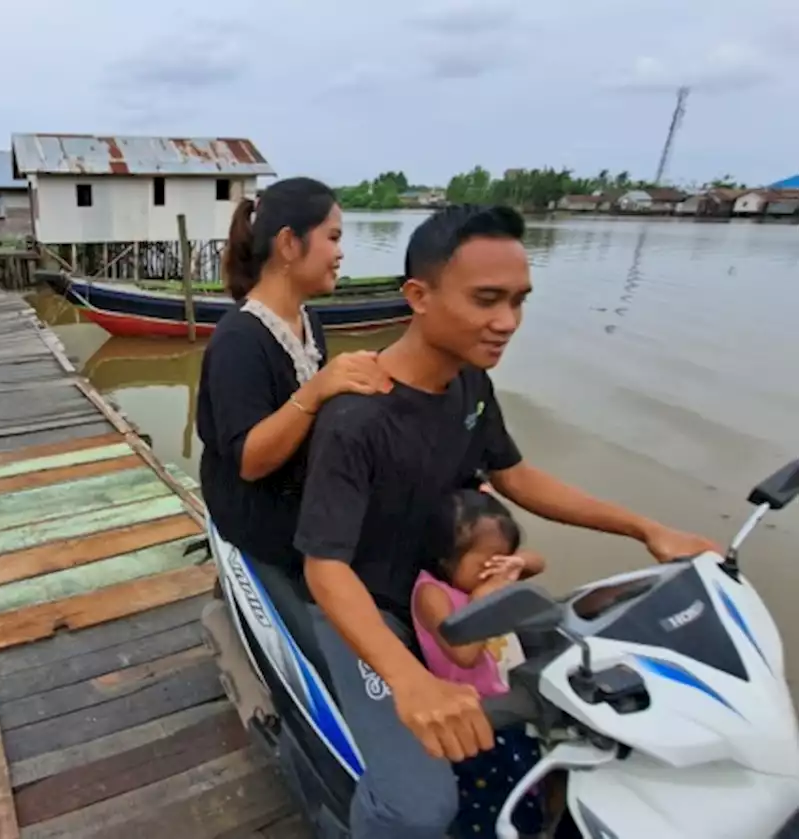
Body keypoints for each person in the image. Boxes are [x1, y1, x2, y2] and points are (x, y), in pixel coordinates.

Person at [293, 203, 718, 838]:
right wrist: (410, 681)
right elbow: (324, 567)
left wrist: (647, 529)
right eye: (487, 300)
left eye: (519, 301)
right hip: (371, 607)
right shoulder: (358, 417)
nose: (507, 322)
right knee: (418, 808)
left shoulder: (469, 385)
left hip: (447, 589)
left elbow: (516, 476)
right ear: (419, 296)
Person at [197, 176, 389, 649]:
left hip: (299, 491)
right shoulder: (239, 340)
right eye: (334, 237)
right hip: (259, 511)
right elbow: (250, 460)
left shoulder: (308, 323)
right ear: (288, 243)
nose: (341, 253)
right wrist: (322, 388)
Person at [412, 488, 547, 839]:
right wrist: (484, 602)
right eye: (484, 563)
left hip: (507, 700)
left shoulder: (485, 577)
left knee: (527, 779)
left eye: (500, 560)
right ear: (445, 559)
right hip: (474, 712)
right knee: (488, 795)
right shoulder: (432, 594)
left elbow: (537, 563)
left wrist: (518, 564)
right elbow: (464, 653)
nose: (493, 571)